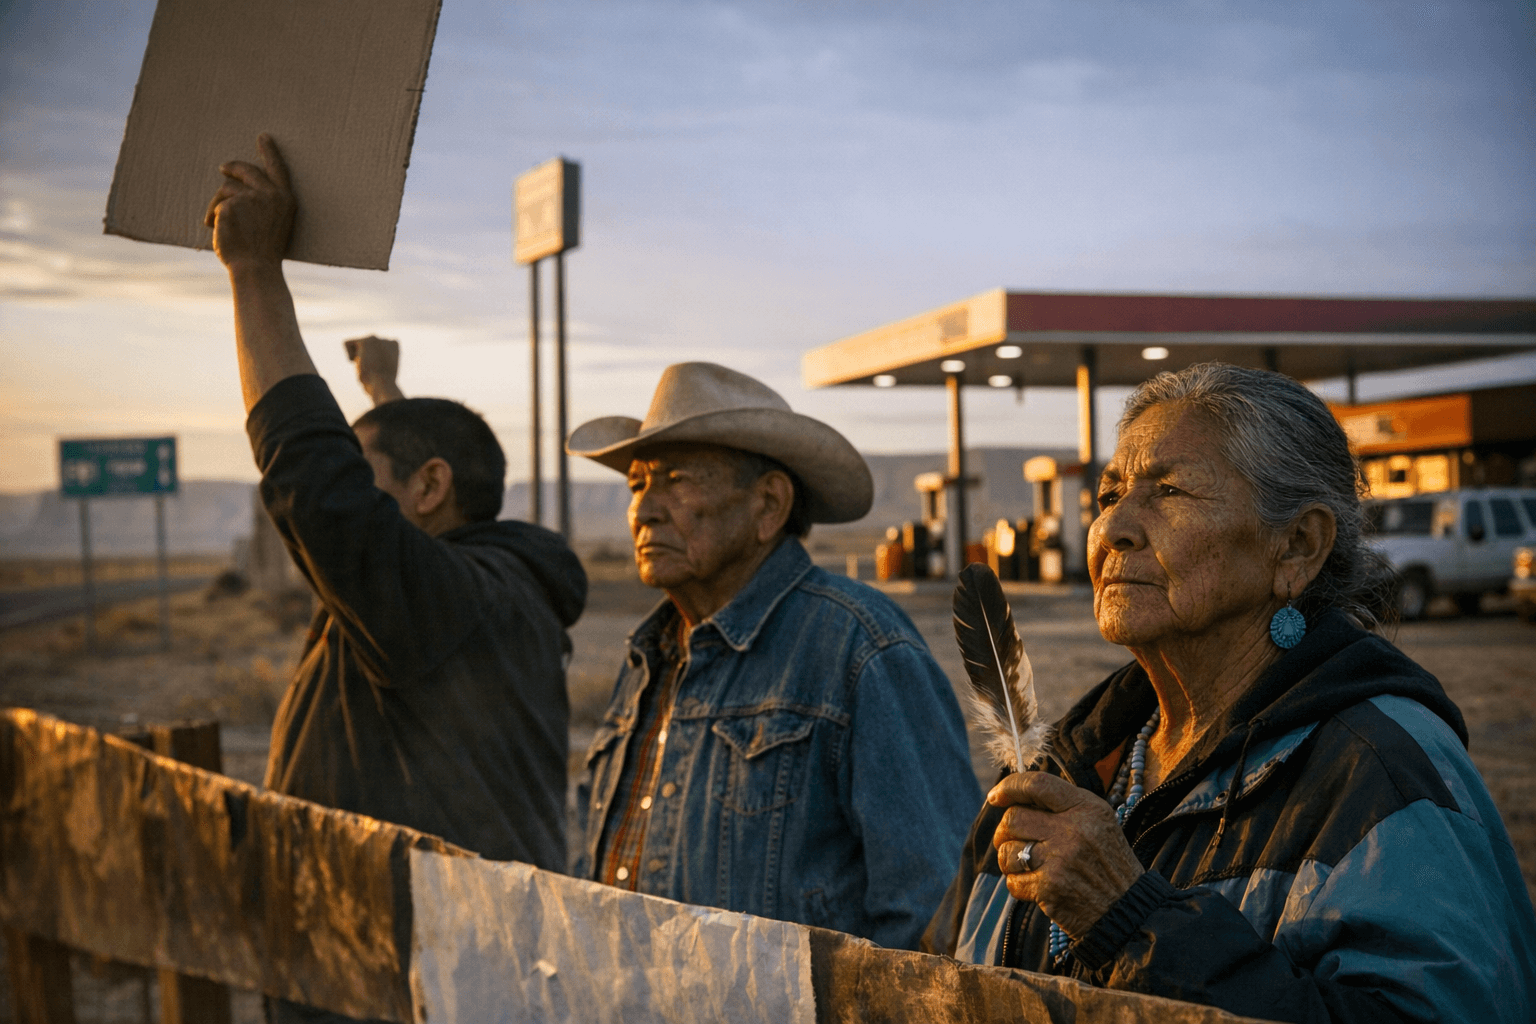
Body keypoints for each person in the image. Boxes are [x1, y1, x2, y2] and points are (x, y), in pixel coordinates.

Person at [924, 362, 1536, 1022]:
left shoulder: (1382, 773)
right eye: (1108, 497)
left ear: (1297, 547)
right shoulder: (1070, 760)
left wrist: (1133, 921)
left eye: (1170, 492)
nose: (1115, 529)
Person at [206, 136, 587, 1021]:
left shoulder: (454, 603)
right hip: (413, 967)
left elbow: (328, 495)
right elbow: (388, 505)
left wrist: (255, 271)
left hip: (413, 986)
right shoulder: (471, 589)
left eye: (384, 471)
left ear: (431, 489)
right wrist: (383, 388)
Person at [566, 361, 981, 950]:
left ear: (768, 506)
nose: (645, 509)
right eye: (637, 485)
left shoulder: (861, 650)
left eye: (677, 480)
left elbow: (938, 917)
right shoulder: (650, 656)